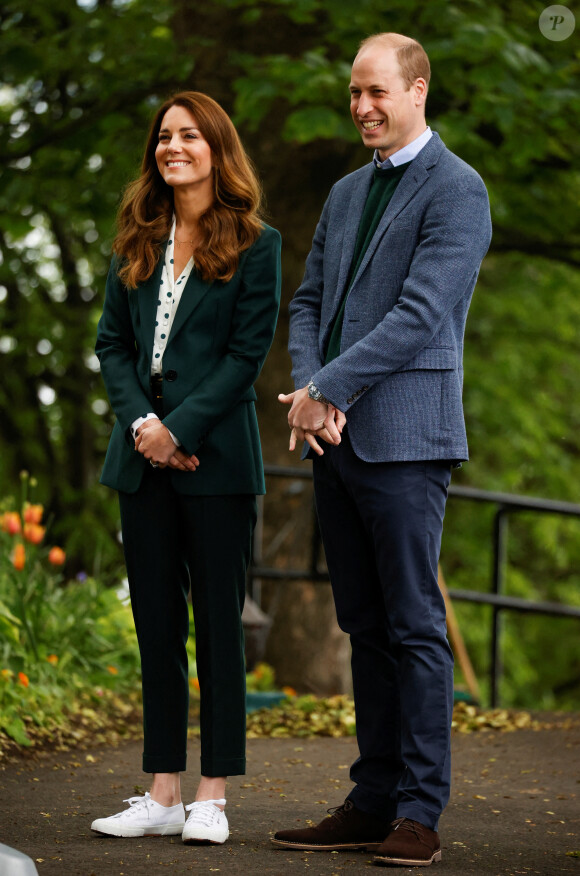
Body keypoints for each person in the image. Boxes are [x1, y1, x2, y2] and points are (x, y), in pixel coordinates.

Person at [275, 33, 491, 867]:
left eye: (376, 92)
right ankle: (371, 799)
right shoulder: (342, 193)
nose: (362, 107)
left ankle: (418, 812)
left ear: (417, 89)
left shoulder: (459, 189)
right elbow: (310, 302)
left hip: (406, 438)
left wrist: (331, 388)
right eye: (353, 95)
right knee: (362, 623)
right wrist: (309, 389)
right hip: (332, 437)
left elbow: (420, 315)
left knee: (413, 625)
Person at [92, 91, 281, 845]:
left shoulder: (257, 243)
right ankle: (162, 790)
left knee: (218, 631)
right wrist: (145, 425)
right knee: (157, 626)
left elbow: (246, 357)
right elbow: (112, 345)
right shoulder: (135, 241)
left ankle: (212, 795)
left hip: (218, 464)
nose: (174, 147)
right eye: (164, 137)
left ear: (217, 148)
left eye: (189, 136)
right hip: (142, 461)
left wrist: (180, 429)